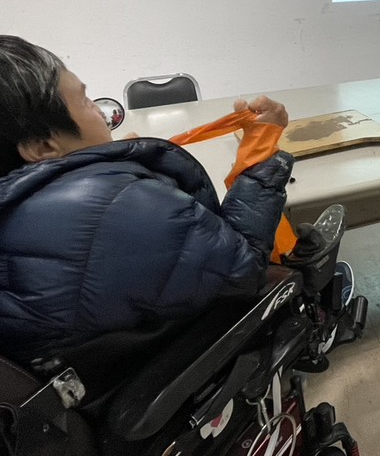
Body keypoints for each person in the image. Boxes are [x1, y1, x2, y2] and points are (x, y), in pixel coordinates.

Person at [0, 36, 293, 368]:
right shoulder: (120, 206)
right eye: (84, 101)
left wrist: (117, 170)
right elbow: (245, 269)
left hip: (71, 365)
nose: (100, 112)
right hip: (158, 361)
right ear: (42, 147)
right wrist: (262, 157)